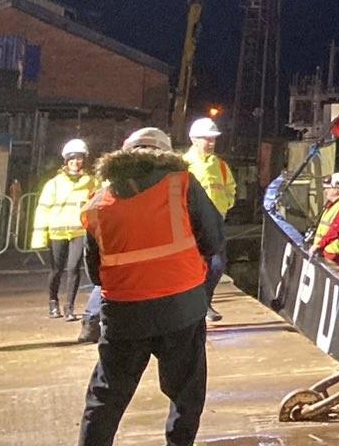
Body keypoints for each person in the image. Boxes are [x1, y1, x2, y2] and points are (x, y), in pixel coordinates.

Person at [78, 126, 225, 446]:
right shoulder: (181, 184)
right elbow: (213, 238)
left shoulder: (97, 204)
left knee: (106, 397)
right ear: (166, 153)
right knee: (186, 392)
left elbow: (96, 273)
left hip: (123, 314)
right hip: (181, 306)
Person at [32, 138, 96, 320]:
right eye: (72, 159)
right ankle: (53, 302)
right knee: (56, 270)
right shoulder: (53, 184)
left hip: (78, 231)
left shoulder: (92, 182)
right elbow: (43, 209)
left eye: (79, 158)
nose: (76, 162)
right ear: (66, 161)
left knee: (73, 269)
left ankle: (69, 308)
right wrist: (39, 236)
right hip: (57, 231)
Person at [182, 118, 235, 322]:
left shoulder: (220, 165)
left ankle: (205, 303)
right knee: (196, 267)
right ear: (194, 140)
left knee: (217, 265)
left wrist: (226, 204)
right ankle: (196, 306)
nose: (211, 143)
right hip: (192, 224)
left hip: (216, 223)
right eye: (207, 139)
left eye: (213, 139)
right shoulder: (184, 165)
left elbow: (230, 187)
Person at [311, 171, 339, 270]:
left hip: (335, 256)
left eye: (328, 188)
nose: (325, 191)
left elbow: (336, 229)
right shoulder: (332, 205)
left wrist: (319, 245)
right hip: (325, 252)